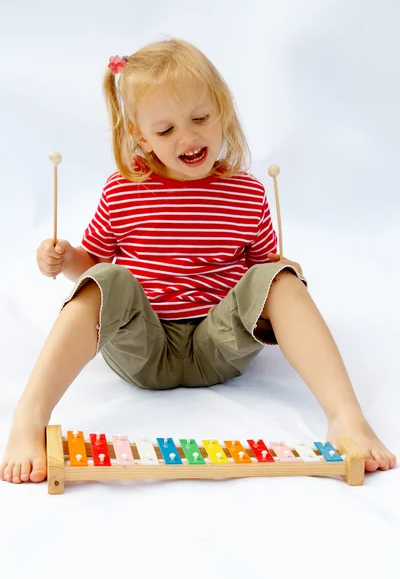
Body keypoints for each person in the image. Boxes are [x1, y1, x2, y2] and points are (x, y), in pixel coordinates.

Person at [1, 37, 395, 485]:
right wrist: (65, 257)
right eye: (166, 130)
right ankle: (29, 418)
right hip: (144, 349)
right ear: (139, 136)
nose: (188, 137)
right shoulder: (123, 191)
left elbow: (262, 273)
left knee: (280, 278)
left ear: (222, 110)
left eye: (200, 118)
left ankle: (346, 416)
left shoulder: (246, 193)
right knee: (107, 278)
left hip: (218, 346)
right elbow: (92, 266)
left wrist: (287, 274)